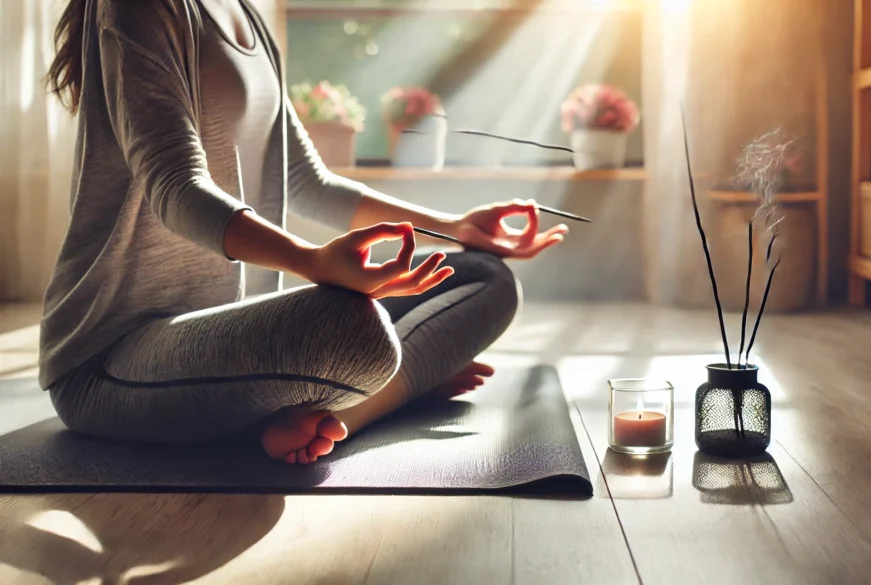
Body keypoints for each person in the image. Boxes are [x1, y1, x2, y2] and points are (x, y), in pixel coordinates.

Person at [40, 0, 568, 464]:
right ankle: (378, 393)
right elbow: (175, 186)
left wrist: (452, 228)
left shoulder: (246, 13)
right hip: (111, 360)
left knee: (482, 275)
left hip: (224, 335)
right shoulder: (137, 7)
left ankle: (332, 412)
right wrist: (313, 262)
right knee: (351, 329)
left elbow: (305, 180)